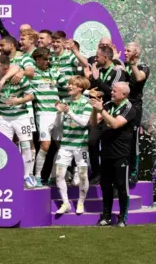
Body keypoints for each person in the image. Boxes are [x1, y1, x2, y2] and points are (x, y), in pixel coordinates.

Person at [89, 82, 136, 227]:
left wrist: (101, 110)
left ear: (124, 94)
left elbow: (115, 124)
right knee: (105, 186)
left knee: (121, 186)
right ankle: (106, 216)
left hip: (121, 153)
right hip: (106, 152)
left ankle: (122, 217)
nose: (112, 92)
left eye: (115, 91)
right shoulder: (109, 104)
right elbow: (93, 123)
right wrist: (95, 109)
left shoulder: (129, 108)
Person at [0, 55, 35, 188]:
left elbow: (31, 95)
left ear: (6, 68)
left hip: (21, 117)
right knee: (4, 147)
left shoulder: (19, 78)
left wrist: (18, 101)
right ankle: (6, 175)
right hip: (4, 119)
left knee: (25, 146)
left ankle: (27, 176)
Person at [88, 45, 127, 184]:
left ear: (106, 57)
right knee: (92, 142)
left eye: (98, 56)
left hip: (109, 112)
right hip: (96, 110)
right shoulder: (97, 70)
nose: (95, 58)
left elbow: (112, 92)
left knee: (106, 145)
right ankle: (96, 172)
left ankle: (109, 177)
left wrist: (97, 79)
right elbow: (94, 89)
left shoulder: (117, 72)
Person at [29, 47, 68, 187]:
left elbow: (69, 86)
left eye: (49, 59)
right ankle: (37, 176)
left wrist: (86, 90)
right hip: (43, 114)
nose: (48, 62)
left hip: (58, 113)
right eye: (45, 59)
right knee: (45, 145)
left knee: (61, 146)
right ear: (37, 60)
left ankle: (54, 175)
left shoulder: (54, 72)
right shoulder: (32, 74)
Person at [54, 76, 93, 215]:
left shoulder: (86, 103)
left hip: (80, 144)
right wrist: (58, 112)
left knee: (83, 175)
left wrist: (68, 112)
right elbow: (58, 125)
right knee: (59, 175)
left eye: (73, 85)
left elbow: (83, 123)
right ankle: (66, 203)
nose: (69, 87)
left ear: (81, 88)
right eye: (69, 84)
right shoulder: (65, 102)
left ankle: (81, 202)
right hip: (65, 144)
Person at [124, 42, 150, 183]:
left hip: (134, 107)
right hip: (121, 106)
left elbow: (139, 78)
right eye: (125, 50)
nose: (125, 52)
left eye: (128, 51)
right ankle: (122, 168)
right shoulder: (122, 65)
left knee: (133, 139)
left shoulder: (143, 66)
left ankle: (133, 171)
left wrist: (132, 64)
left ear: (136, 53)